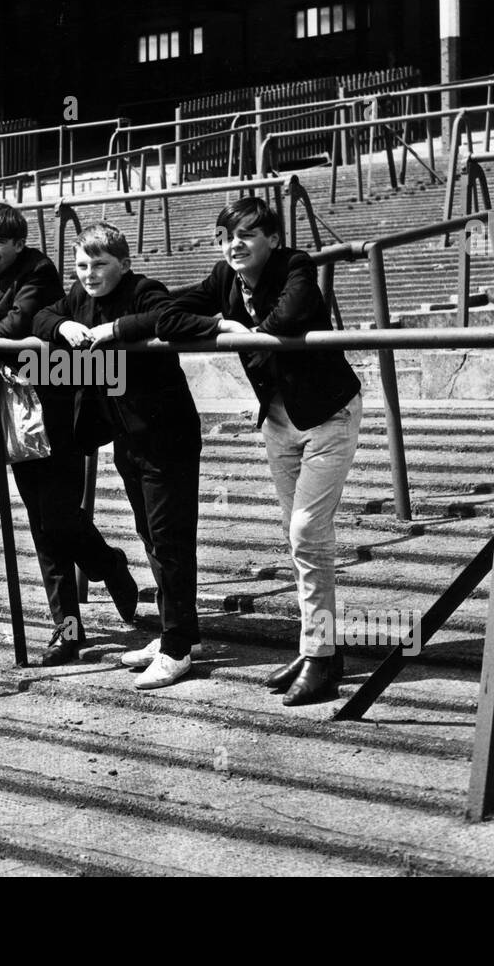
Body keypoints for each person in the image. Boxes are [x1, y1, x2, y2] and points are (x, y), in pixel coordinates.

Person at [158, 197, 362, 707]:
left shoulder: (295, 265)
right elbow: (167, 314)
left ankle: (320, 656)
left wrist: (241, 329)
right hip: (277, 420)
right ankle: (320, 648)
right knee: (300, 540)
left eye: (248, 234)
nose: (235, 244)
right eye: (227, 235)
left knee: (306, 534)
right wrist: (217, 326)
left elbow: (289, 318)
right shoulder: (224, 280)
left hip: (326, 415)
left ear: (272, 238)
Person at [0, 203, 139, 667]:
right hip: (16, 410)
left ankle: (110, 565)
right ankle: (67, 630)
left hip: (56, 405)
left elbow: (19, 324)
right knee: (42, 524)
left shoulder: (39, 270)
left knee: (58, 516)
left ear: (18, 243)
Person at [33, 222, 203, 691]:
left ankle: (177, 649)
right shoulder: (78, 296)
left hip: (166, 434)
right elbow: (42, 317)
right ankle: (177, 631)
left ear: (124, 264)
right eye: (82, 265)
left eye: (100, 265)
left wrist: (112, 330)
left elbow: (166, 316)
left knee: (170, 537)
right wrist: (64, 324)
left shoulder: (144, 289)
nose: (90, 274)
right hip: (127, 437)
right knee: (149, 533)